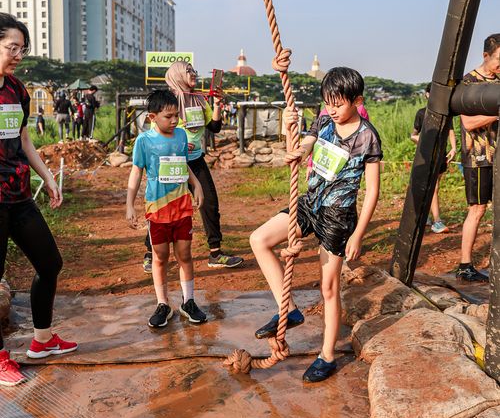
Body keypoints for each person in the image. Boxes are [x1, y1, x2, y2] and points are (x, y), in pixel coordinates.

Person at [250, 67, 382, 383]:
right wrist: (291, 135)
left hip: (338, 217)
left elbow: (373, 191)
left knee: (328, 288)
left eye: (338, 104)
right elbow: (303, 150)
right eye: (327, 103)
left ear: (357, 101)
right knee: (259, 239)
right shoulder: (323, 121)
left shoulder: (367, 136)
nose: (332, 110)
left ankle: (327, 356)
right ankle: (289, 309)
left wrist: (358, 235)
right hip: (309, 204)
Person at [0, 13, 77, 387]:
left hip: (18, 195)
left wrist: (47, 177)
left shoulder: (17, 89)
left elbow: (24, 139)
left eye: (22, 49)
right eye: (11, 48)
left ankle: (42, 340)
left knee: (50, 262)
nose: (18, 56)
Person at [142, 61, 243, 272]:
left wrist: (217, 105)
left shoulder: (199, 99)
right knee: (163, 206)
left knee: (209, 203)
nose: (193, 73)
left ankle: (215, 253)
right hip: (170, 161)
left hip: (195, 160)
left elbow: (214, 127)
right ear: (178, 75)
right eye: (188, 71)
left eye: (193, 70)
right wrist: (176, 143)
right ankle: (151, 253)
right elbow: (154, 132)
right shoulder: (167, 102)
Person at [126, 89, 206, 327]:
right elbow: (136, 172)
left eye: (176, 116)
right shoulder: (144, 141)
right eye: (168, 116)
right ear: (152, 117)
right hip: (158, 208)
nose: (174, 121)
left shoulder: (181, 135)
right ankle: (163, 304)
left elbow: (184, 164)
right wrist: (129, 204)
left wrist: (197, 184)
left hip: (182, 206)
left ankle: (188, 301)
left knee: (185, 254)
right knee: (160, 256)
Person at [456, 34, 500, 282]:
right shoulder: (469, 82)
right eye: (499, 59)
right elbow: (468, 123)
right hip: (478, 157)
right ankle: (465, 265)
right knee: (478, 209)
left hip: (498, 156)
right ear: (486, 56)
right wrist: (496, 115)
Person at [411, 83, 457, 234]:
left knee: (434, 187)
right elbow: (413, 135)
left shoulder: (445, 113)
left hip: (441, 155)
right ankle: (437, 221)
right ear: (427, 95)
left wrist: (454, 148)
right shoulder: (421, 113)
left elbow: (450, 130)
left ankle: (425, 216)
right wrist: (422, 140)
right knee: (434, 187)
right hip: (426, 156)